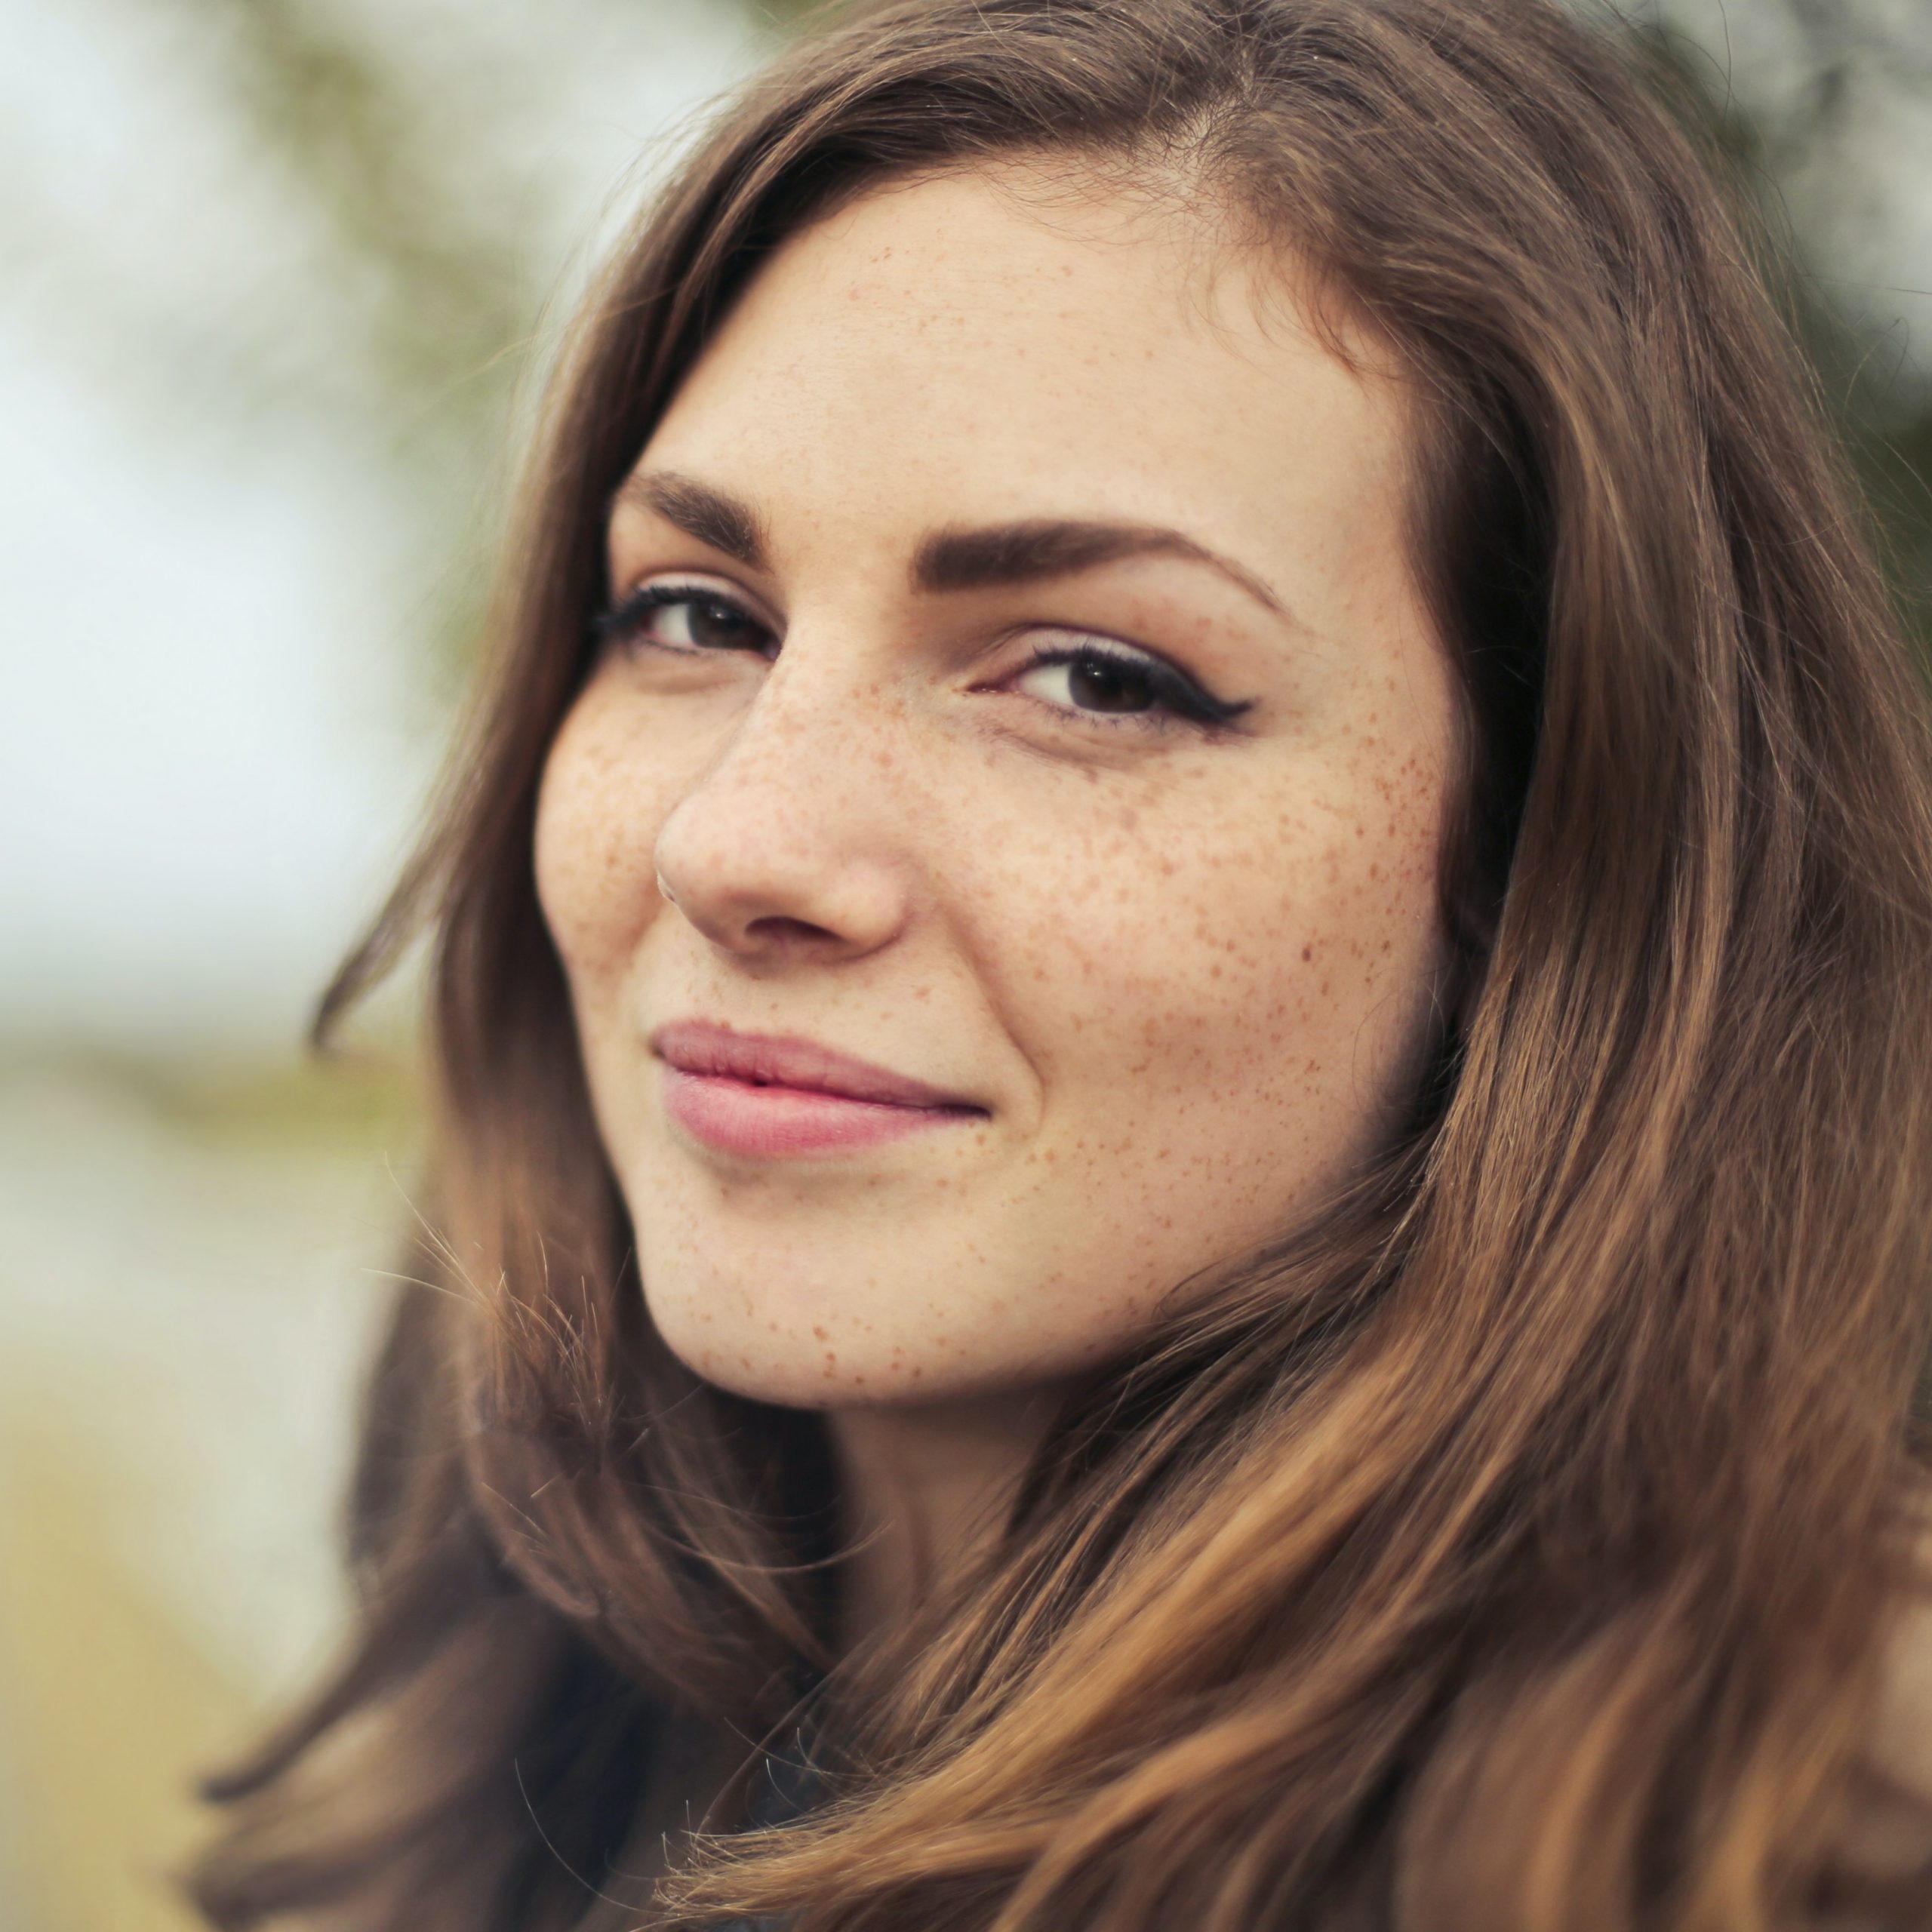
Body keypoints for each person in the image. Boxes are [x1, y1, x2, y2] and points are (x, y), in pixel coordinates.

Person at [188, 0, 1932, 1926]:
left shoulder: (1786, 1851)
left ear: (1544, 866)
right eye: (696, 614)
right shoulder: (523, 1759)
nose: (737, 843)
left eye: (1093, 675)